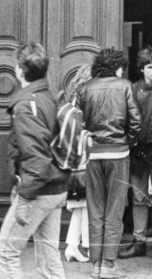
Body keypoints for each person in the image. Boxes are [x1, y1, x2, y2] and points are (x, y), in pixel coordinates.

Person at [0, 42, 70, 279]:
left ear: (18, 69)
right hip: (57, 186)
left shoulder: (26, 104)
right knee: (48, 256)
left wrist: (24, 196)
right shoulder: (50, 96)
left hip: (38, 190)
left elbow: (37, 159)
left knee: (5, 253)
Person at [76, 48, 141, 279]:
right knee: (115, 210)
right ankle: (108, 265)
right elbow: (135, 121)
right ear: (117, 66)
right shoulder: (124, 86)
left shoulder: (84, 88)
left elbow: (78, 121)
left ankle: (95, 264)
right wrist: (128, 142)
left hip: (93, 154)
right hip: (118, 153)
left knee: (95, 209)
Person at [119, 48, 152, 260]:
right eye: (150, 67)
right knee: (139, 197)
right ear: (141, 69)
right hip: (138, 150)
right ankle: (138, 242)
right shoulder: (133, 88)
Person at [61, 63, 92, 263]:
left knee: (81, 205)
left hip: (73, 160)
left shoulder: (71, 100)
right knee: (87, 204)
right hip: (83, 159)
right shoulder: (84, 101)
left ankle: (72, 245)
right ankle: (88, 246)